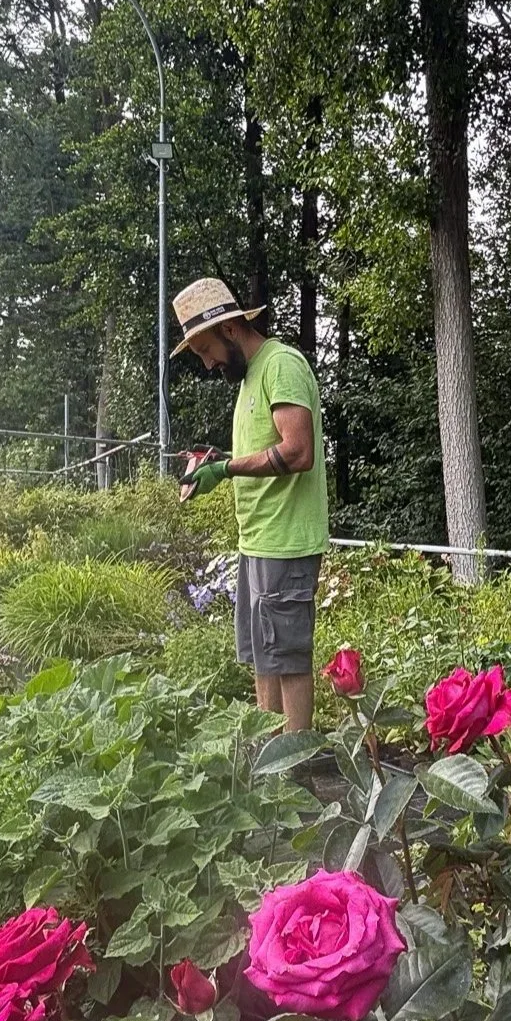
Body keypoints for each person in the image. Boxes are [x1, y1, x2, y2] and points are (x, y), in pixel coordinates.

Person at [172, 277, 329, 733]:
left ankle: (295, 764)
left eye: (204, 351)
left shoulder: (281, 365)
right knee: (264, 655)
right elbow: (259, 450)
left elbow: (298, 451)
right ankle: (270, 754)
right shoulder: (249, 380)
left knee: (289, 658)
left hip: (287, 541)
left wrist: (226, 471)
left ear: (230, 330)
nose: (206, 364)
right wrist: (216, 461)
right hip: (258, 540)